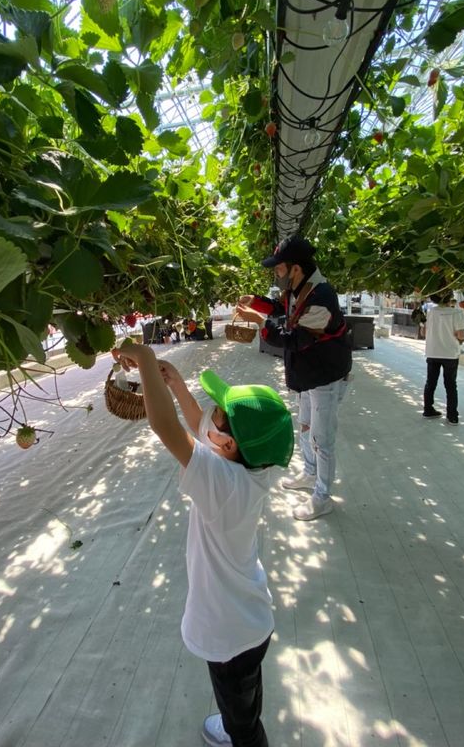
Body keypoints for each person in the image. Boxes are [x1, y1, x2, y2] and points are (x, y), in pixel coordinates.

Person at [110, 341, 294, 747]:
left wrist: (142, 360)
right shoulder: (248, 470)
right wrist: (176, 385)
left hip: (228, 634)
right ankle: (237, 726)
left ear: (227, 445)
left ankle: (242, 736)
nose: (210, 414)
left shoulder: (222, 484)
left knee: (244, 720)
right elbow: (199, 429)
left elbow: (166, 427)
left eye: (220, 414)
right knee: (244, 698)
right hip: (249, 623)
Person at [236, 235, 352, 521]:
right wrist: (258, 303)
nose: (276, 275)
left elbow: (295, 339)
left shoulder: (321, 298)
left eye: (278, 269)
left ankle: (322, 497)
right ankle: (310, 473)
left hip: (324, 375)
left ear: (295, 268)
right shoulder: (301, 288)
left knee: (322, 439)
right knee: (305, 426)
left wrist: (259, 322)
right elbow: (280, 307)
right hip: (308, 374)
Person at [422, 290, 464, 425]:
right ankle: (452, 416)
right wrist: (459, 339)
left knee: (430, 383)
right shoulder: (457, 313)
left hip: (432, 352)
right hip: (450, 353)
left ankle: (428, 409)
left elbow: (424, 332)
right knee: (450, 385)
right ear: (450, 299)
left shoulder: (430, 312)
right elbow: (461, 335)